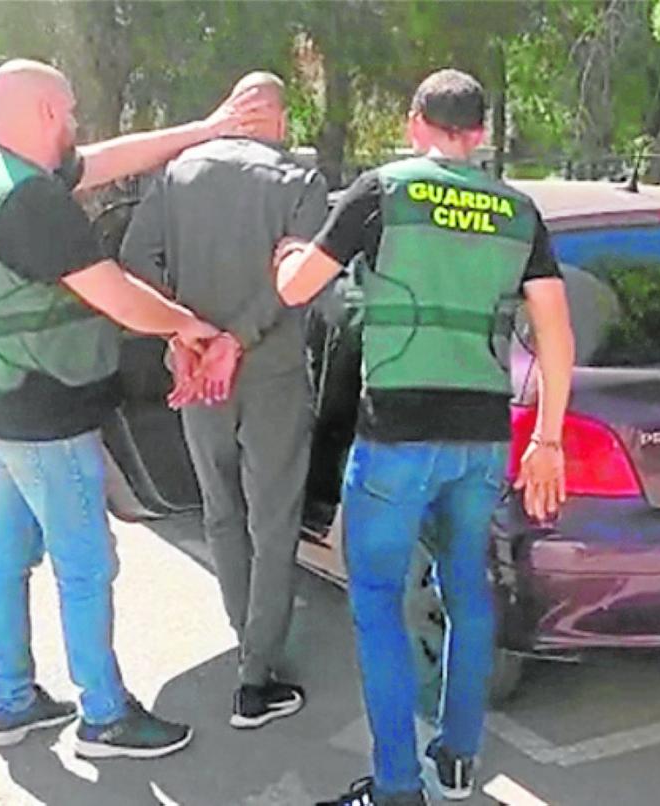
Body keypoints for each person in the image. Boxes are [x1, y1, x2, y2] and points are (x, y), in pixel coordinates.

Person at [272, 69, 575, 805]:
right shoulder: (519, 211)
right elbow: (556, 334)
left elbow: (298, 289)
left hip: (397, 434)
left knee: (377, 598)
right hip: (482, 434)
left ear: (415, 123)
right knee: (467, 590)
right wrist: (549, 440)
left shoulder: (383, 191)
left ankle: (396, 787)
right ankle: (459, 761)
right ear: (480, 135)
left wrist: (287, 255)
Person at [0, 58, 268, 760]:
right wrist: (190, 328)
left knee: (8, 561)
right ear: (46, 113)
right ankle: (103, 715)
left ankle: (12, 701)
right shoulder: (35, 204)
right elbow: (119, 297)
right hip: (45, 414)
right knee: (86, 566)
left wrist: (206, 128)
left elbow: (104, 161)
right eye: (68, 111)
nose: (76, 123)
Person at [120, 71, 329, 730]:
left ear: (234, 112)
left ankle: (245, 641)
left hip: (194, 373)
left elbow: (133, 258)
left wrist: (182, 336)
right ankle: (256, 675)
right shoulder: (300, 182)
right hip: (272, 375)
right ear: (279, 119)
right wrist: (237, 339)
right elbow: (301, 283)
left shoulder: (178, 175)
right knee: (273, 520)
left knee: (221, 512)